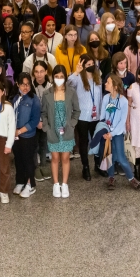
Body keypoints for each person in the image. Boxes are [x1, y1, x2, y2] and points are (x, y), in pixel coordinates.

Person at [40, 66, 80, 197]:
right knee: (55, 157)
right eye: (56, 77)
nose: (59, 79)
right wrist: (46, 127)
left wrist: (72, 124)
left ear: (65, 77)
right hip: (53, 130)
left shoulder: (71, 92)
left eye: (61, 77)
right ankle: (56, 184)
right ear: (52, 77)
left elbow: (77, 111)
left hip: (67, 130)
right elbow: (44, 113)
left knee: (65, 157)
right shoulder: (47, 93)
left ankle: (65, 184)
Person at [99, 74, 140, 190]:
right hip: (107, 132)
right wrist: (103, 129)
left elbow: (122, 121)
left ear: (115, 86)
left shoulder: (123, 101)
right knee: (109, 156)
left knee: (121, 158)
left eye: (108, 82)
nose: (105, 84)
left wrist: (112, 133)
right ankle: (111, 177)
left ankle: (131, 178)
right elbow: (102, 116)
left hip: (116, 134)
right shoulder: (106, 98)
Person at [67, 55, 102, 180]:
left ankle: (98, 165)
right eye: (88, 64)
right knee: (83, 142)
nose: (91, 66)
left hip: (96, 116)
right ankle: (85, 167)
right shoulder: (78, 79)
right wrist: (76, 71)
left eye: (93, 63)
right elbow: (68, 83)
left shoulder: (98, 79)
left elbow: (100, 98)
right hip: (82, 116)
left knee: (97, 141)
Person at [10, 73, 41, 198]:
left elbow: (34, 121)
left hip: (27, 135)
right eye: (23, 84)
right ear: (17, 84)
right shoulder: (14, 98)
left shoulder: (34, 100)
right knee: (18, 159)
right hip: (15, 136)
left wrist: (20, 131)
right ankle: (20, 181)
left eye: (28, 84)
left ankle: (30, 184)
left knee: (28, 160)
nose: (25, 87)